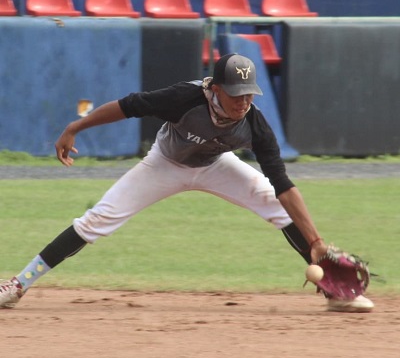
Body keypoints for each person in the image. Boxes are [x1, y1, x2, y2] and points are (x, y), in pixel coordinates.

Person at [0, 54, 373, 312]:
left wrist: (316, 242)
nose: (243, 101)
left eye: (248, 94)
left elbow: (283, 185)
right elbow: (129, 105)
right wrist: (76, 126)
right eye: (235, 93)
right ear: (215, 87)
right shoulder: (184, 97)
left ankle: (333, 293)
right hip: (165, 163)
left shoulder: (255, 124)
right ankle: (18, 284)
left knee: (273, 203)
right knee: (98, 219)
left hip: (215, 165)